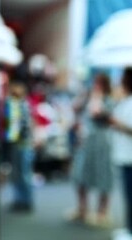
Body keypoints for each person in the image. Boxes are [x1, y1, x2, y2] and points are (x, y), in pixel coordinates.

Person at [70, 73, 114, 227]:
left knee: (103, 175)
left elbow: (100, 115)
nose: (96, 86)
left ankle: (102, 212)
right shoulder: (87, 97)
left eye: (100, 83)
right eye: (95, 82)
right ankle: (82, 209)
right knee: (80, 175)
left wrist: (97, 100)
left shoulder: (109, 100)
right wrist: (85, 96)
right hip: (85, 142)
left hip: (102, 143)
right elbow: (75, 109)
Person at [111, 68, 132, 240]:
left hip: (129, 156)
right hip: (125, 156)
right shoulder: (125, 100)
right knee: (127, 194)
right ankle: (128, 228)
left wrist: (118, 123)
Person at [9, 81, 35, 212]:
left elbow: (26, 126)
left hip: (24, 144)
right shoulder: (16, 104)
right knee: (18, 173)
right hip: (18, 144)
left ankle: (26, 201)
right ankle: (19, 200)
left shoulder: (23, 105)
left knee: (24, 173)